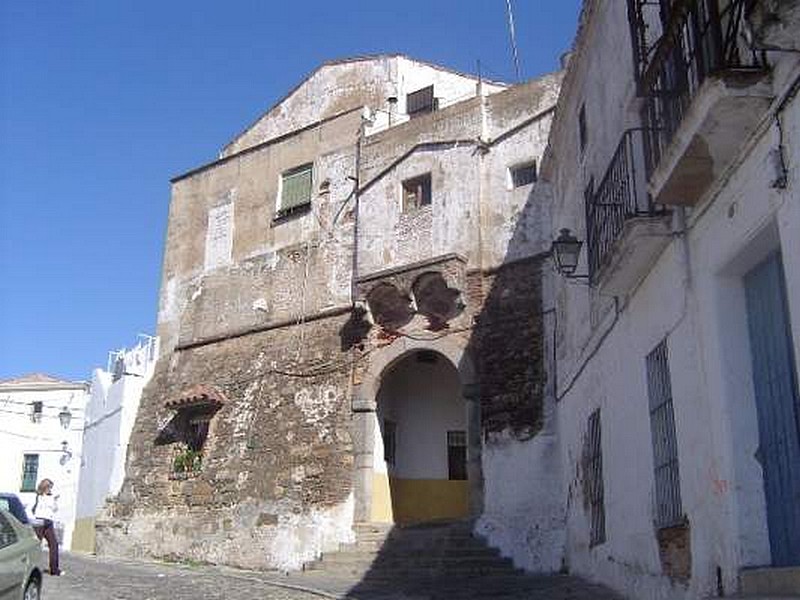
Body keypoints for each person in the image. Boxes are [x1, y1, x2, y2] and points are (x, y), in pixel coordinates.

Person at [31, 478, 62, 576]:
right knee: (37, 545)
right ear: (45, 487)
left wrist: (54, 500)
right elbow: (32, 508)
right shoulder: (39, 496)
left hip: (47, 521)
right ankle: (32, 567)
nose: (50, 490)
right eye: (49, 487)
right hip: (40, 521)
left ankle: (54, 569)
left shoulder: (47, 497)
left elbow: (54, 509)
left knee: (54, 544)